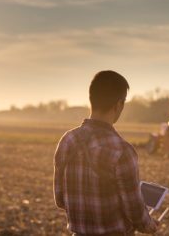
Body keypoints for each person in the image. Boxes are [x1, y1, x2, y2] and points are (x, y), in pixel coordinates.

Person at [53, 70, 158, 236]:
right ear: (119, 105)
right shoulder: (122, 150)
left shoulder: (68, 140)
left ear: (91, 100)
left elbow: (60, 199)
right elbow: (135, 213)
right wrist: (149, 225)